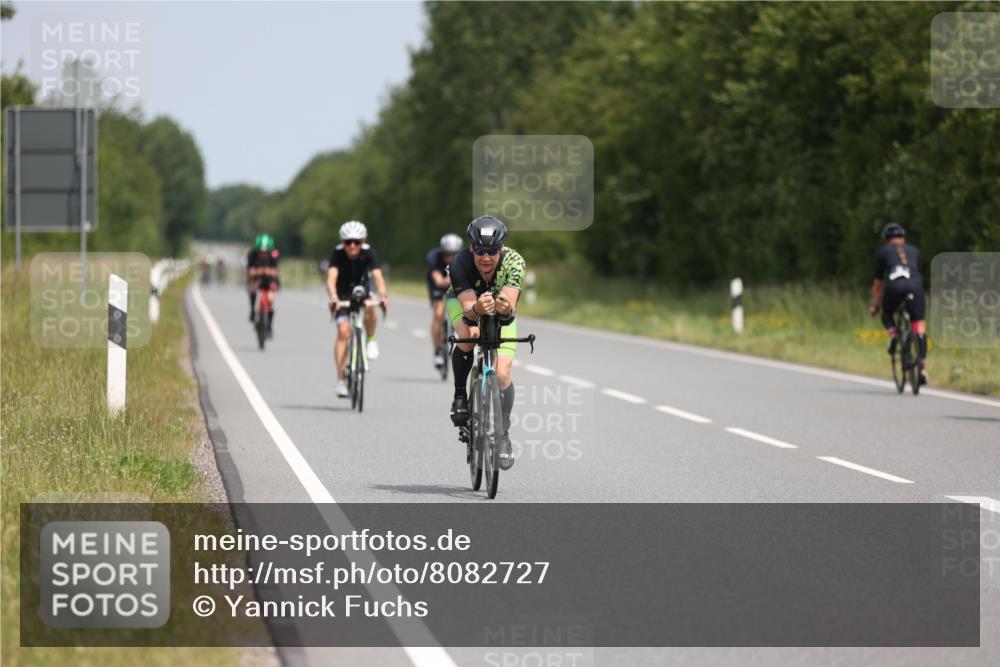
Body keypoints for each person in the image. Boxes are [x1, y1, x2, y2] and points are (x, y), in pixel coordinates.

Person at [446, 215, 525, 470]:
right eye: (479, 250)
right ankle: (460, 394)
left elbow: (510, 305)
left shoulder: (514, 262)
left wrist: (504, 307)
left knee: (502, 372)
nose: (486, 258)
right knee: (469, 336)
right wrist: (477, 308)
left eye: (492, 251)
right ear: (471, 248)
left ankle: (502, 434)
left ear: (501, 249)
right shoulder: (459, 263)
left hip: (499, 310)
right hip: (464, 304)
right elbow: (468, 310)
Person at [326, 220, 389, 398]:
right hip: (342, 296)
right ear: (342, 242)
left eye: (357, 242)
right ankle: (340, 380)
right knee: (343, 332)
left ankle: (370, 339)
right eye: (348, 242)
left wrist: (383, 295)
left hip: (362, 293)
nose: (352, 246)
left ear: (363, 242)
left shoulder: (368, 253)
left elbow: (378, 277)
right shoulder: (337, 254)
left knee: (371, 308)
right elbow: (331, 278)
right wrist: (333, 297)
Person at [869, 222, 928, 385]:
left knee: (886, 313)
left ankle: (893, 333)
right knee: (919, 325)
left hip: (895, 287)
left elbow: (878, 284)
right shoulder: (914, 250)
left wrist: (875, 305)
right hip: (915, 288)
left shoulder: (883, 252)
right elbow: (918, 272)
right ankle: (922, 367)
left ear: (886, 240)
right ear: (903, 238)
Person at [427, 233, 464, 368]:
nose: (449, 258)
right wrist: (450, 279)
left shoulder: (465, 258)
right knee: (438, 314)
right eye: (446, 254)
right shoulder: (434, 257)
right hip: (438, 286)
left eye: (453, 254)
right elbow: (438, 280)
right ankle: (437, 350)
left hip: (456, 286)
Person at [246, 234, 280, 337]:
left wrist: (266, 271)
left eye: (265, 252)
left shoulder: (274, 255)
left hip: (269, 280)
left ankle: (269, 324)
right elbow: (250, 271)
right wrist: (260, 271)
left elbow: (274, 272)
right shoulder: (252, 254)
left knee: (270, 299)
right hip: (257, 279)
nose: (263, 254)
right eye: (261, 252)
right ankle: (252, 309)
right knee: (253, 288)